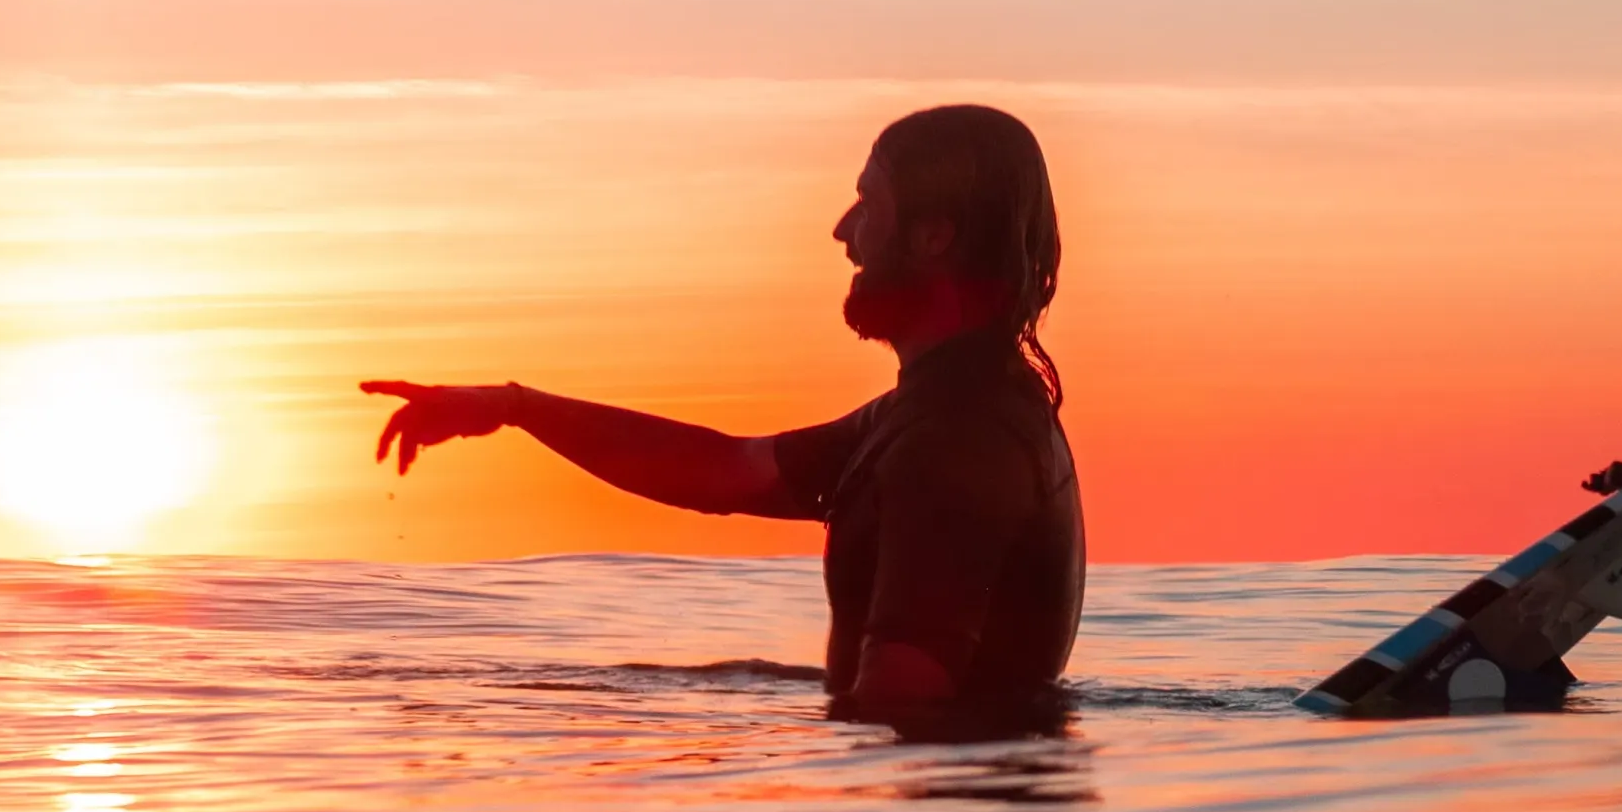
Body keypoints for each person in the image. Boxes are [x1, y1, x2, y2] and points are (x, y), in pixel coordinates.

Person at [363, 104, 1083, 720]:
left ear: (934, 236)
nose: (844, 230)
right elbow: (725, 471)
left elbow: (902, 710)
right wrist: (514, 408)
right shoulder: (937, 414)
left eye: (869, 203)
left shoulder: (957, 442)